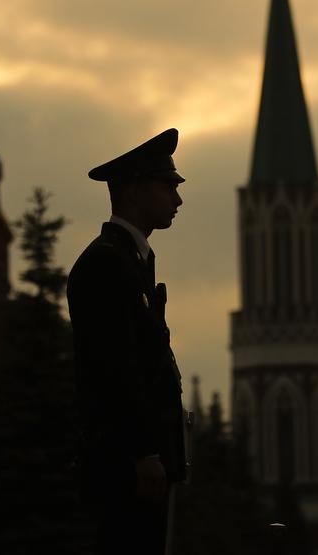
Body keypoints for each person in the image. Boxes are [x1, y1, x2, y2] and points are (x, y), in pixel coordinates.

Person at [68, 128, 189, 554]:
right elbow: (116, 367)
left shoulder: (129, 260)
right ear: (135, 190)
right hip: (126, 468)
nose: (177, 200)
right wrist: (143, 451)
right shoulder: (107, 263)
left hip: (141, 467)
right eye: (168, 187)